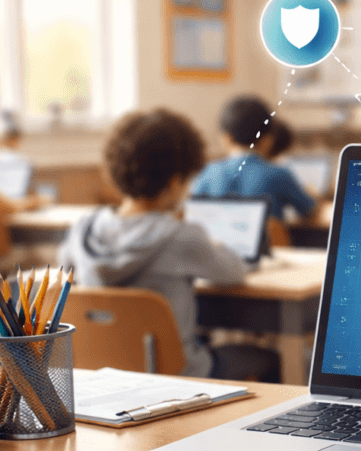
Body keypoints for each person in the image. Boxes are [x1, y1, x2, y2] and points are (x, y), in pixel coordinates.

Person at [58, 108, 279, 381]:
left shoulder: (84, 229)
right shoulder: (180, 236)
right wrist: (214, 243)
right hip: (176, 374)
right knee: (267, 358)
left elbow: (61, 278)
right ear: (175, 183)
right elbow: (235, 270)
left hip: (103, 374)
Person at [191, 95, 316, 220]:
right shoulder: (279, 174)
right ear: (268, 140)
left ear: (225, 139)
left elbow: (194, 216)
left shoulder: (206, 173)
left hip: (214, 240)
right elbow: (310, 211)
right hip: (266, 240)